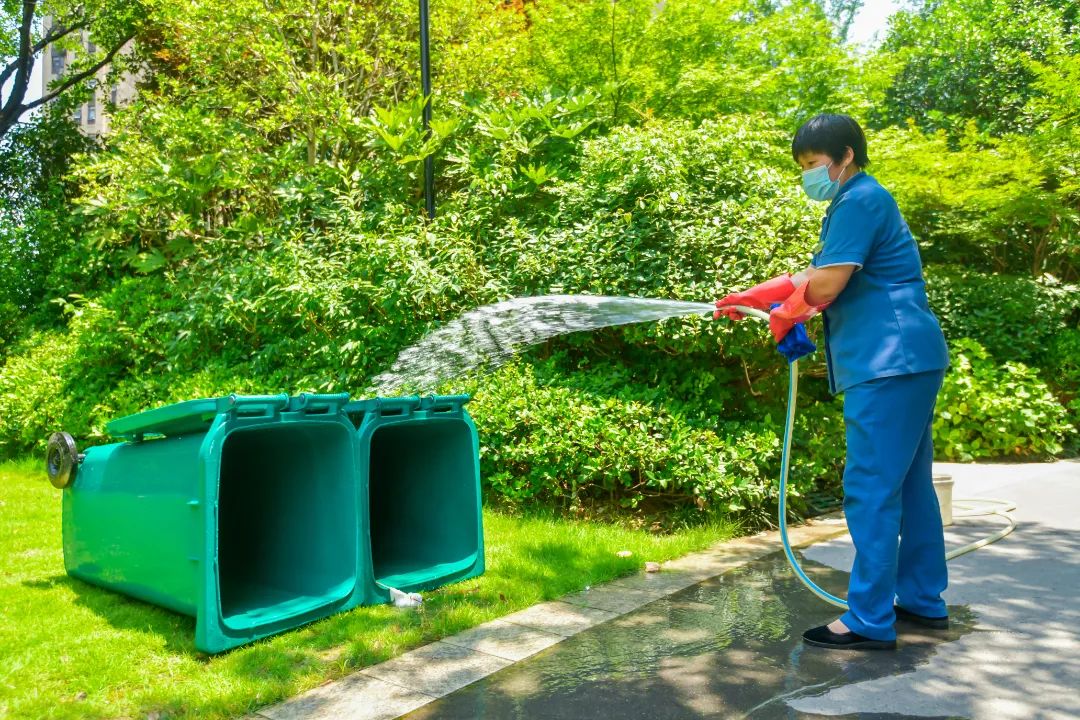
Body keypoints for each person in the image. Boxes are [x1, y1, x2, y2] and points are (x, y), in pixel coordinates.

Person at [715, 113, 950, 650]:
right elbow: (808, 277)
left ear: (846, 156)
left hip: (886, 360)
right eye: (802, 168)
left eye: (815, 164)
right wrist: (752, 297)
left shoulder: (861, 199)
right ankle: (921, 599)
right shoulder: (855, 203)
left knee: (870, 487)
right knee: (910, 487)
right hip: (905, 357)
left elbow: (824, 285)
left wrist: (788, 313)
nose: (809, 176)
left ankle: (868, 619)